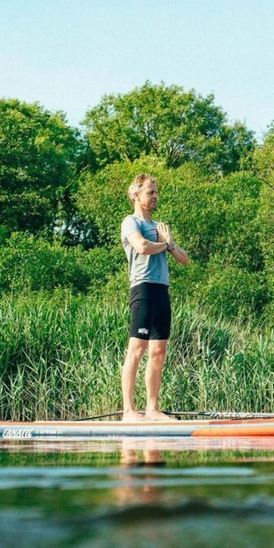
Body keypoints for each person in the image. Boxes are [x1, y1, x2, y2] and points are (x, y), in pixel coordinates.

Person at [119, 174, 189, 422]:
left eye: (156, 192)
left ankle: (152, 409)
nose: (156, 196)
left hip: (162, 290)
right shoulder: (131, 222)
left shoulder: (160, 227)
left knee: (158, 351)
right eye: (150, 192)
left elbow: (184, 258)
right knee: (136, 348)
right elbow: (142, 247)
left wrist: (169, 244)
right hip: (143, 289)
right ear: (136, 195)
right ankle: (129, 411)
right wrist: (164, 245)